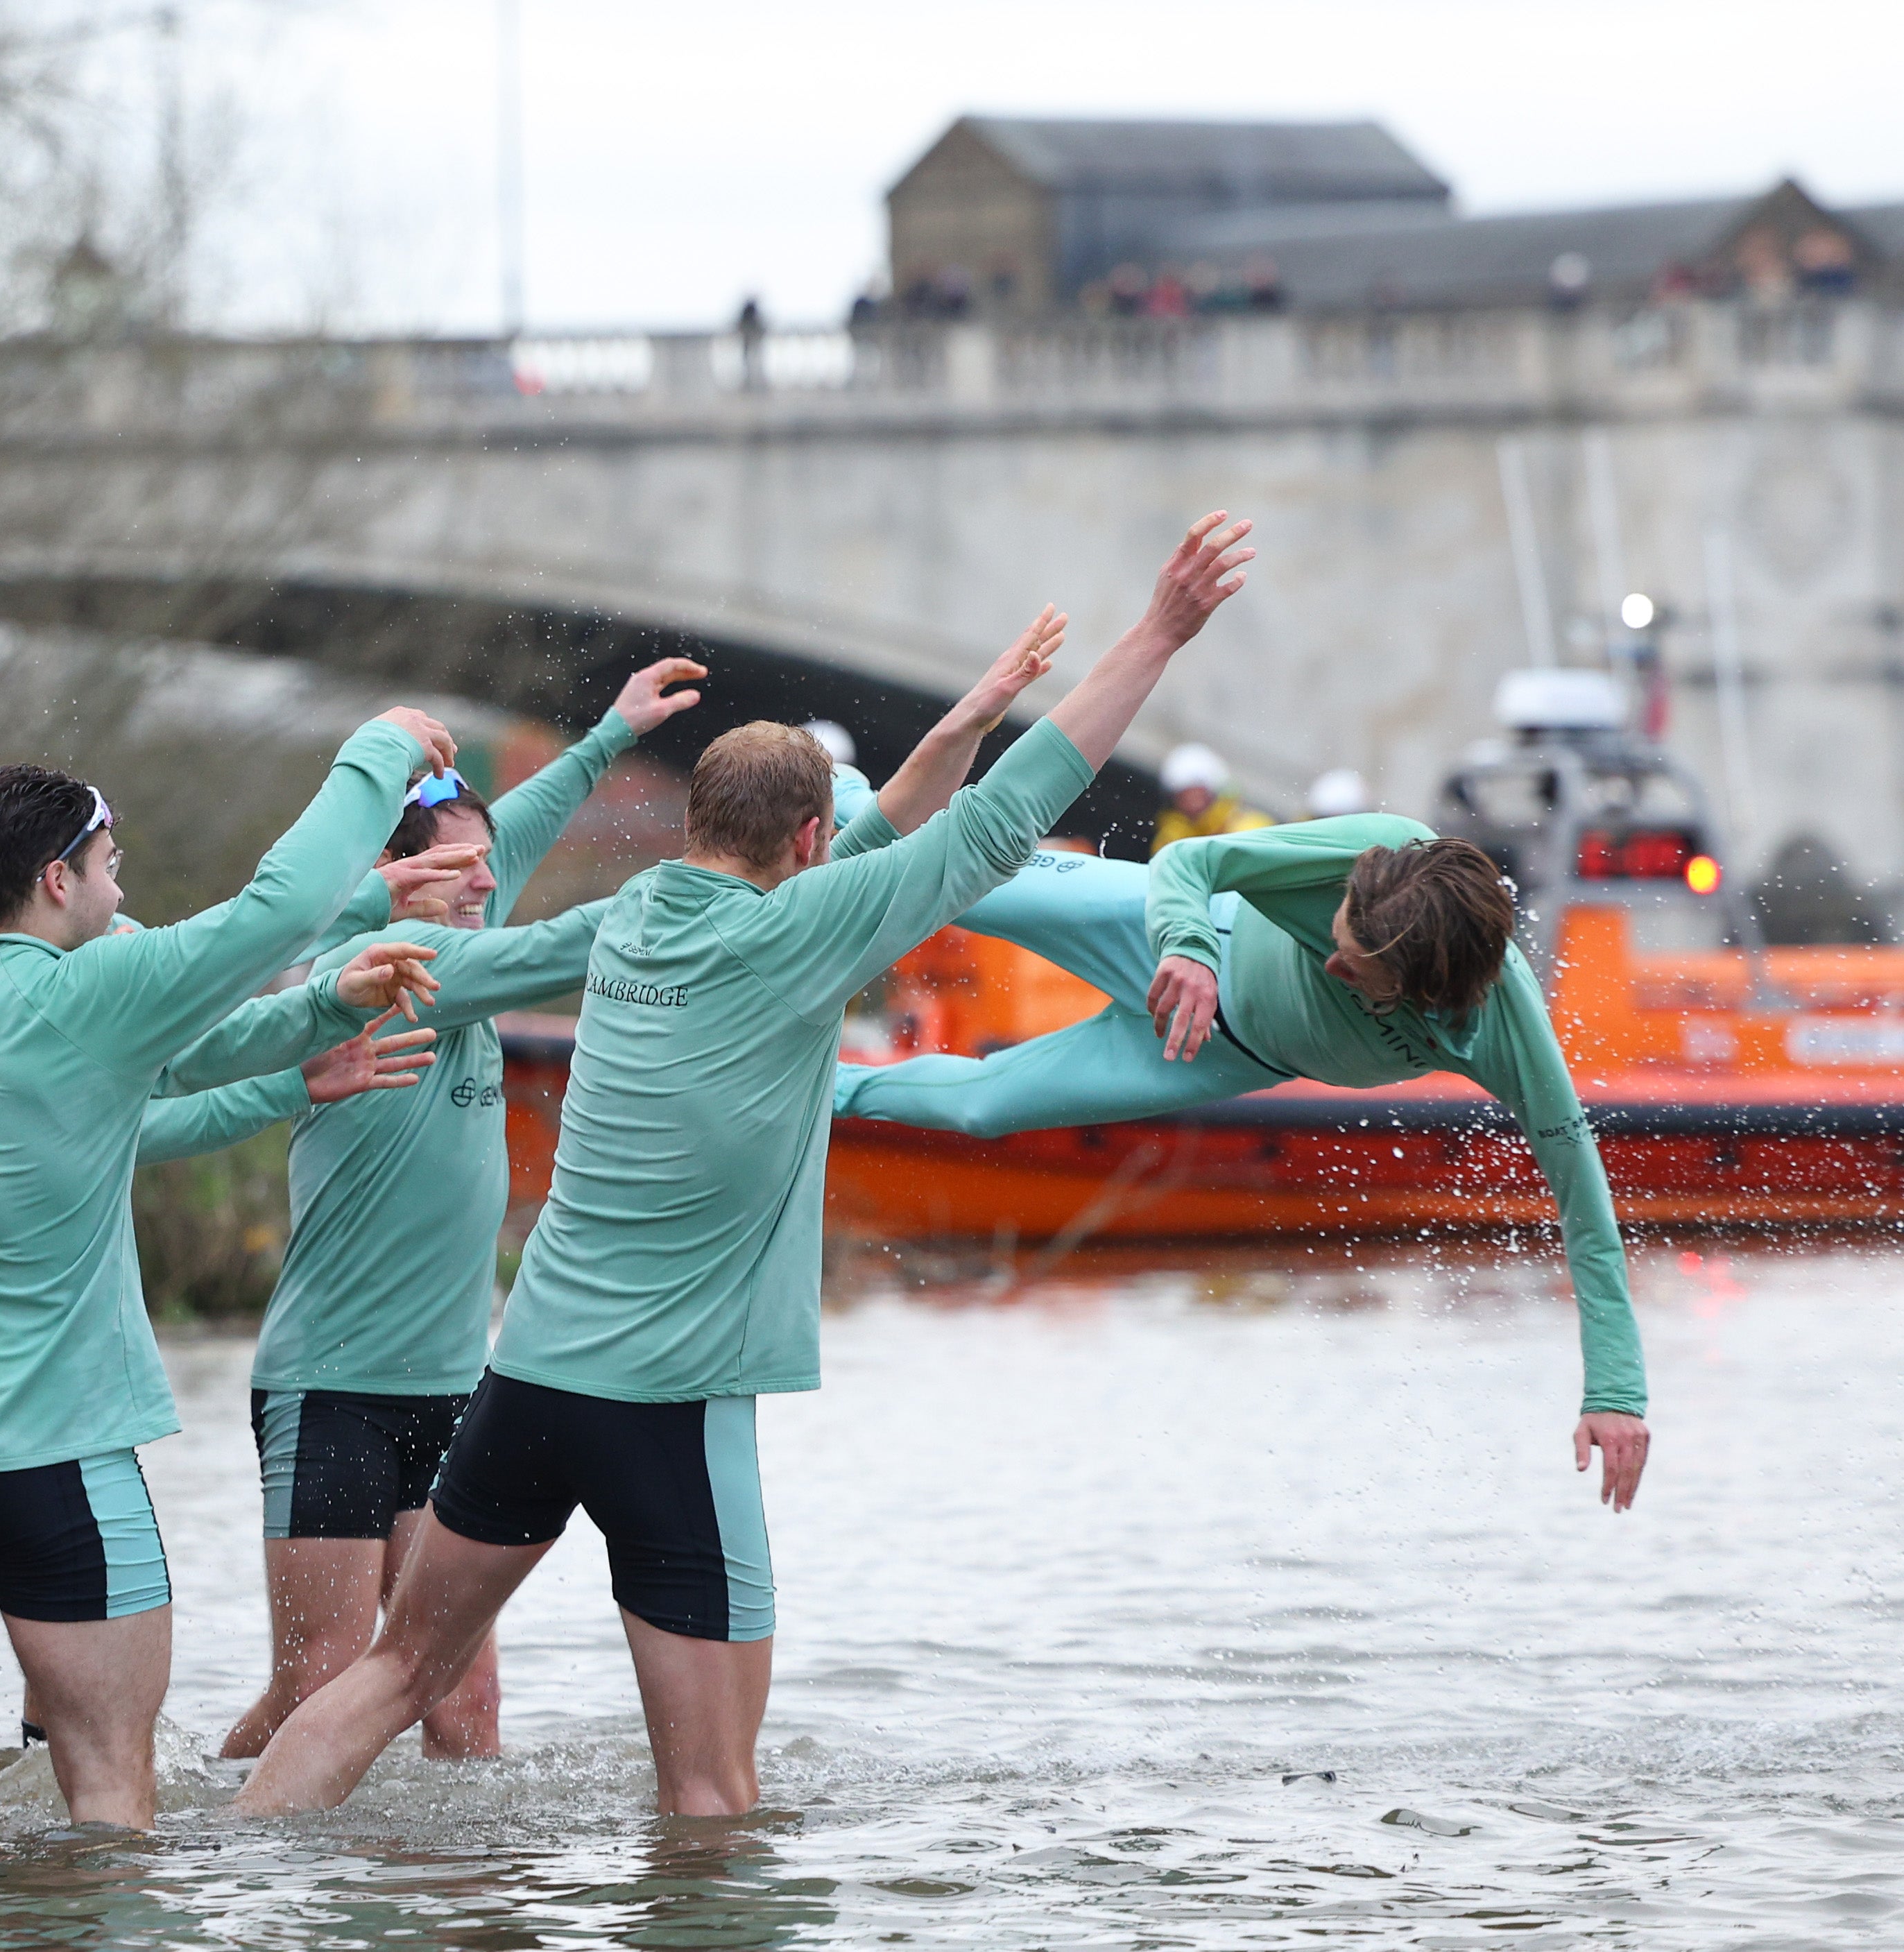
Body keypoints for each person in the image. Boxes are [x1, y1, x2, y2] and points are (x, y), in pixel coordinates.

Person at [232, 512, 1257, 1820]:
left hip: (527, 1376)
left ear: (700, 817)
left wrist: (326, 965)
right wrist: (1158, 632)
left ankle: (238, 1884)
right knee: (714, 1796)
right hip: (673, 1405)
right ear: (810, 845)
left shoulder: (628, 916)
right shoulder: (813, 929)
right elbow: (1010, 816)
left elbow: (452, 966)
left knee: (391, 1674)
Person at [0, 708, 460, 1833]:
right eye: (110, 865)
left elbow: (169, 1059)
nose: (123, 889)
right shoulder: (83, 996)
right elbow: (280, 906)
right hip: (60, 1454)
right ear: (55, 878)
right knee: (108, 1781)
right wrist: (378, 753)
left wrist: (323, 1014)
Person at [138, 659, 709, 1766]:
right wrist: (717, 882)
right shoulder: (385, 960)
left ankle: (459, 1904)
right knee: (319, 1680)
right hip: (332, 1386)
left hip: (455, 1389)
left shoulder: (460, 931)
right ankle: (215, 1834)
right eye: (458, 868)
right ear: (394, 873)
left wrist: (600, 739)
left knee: (464, 1705)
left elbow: (502, 851)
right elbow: (559, 943)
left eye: (488, 868)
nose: (486, 882)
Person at [829, 805, 1650, 1509]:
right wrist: (1185, 946)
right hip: (1180, 937)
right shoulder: (1377, 851)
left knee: (984, 1108)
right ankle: (828, 791)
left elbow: (1585, 1209)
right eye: (1336, 939)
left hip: (1214, 1056)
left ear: (1422, 991)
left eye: (1352, 972)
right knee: (951, 884)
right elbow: (1193, 860)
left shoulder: (1508, 1038)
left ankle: (815, 1088)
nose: (1331, 963)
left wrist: (1614, 1392)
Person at [1152, 742, 1271, 855]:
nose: (1191, 801)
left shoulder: (1249, 830)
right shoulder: (1170, 842)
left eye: (1198, 793)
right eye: (1183, 795)